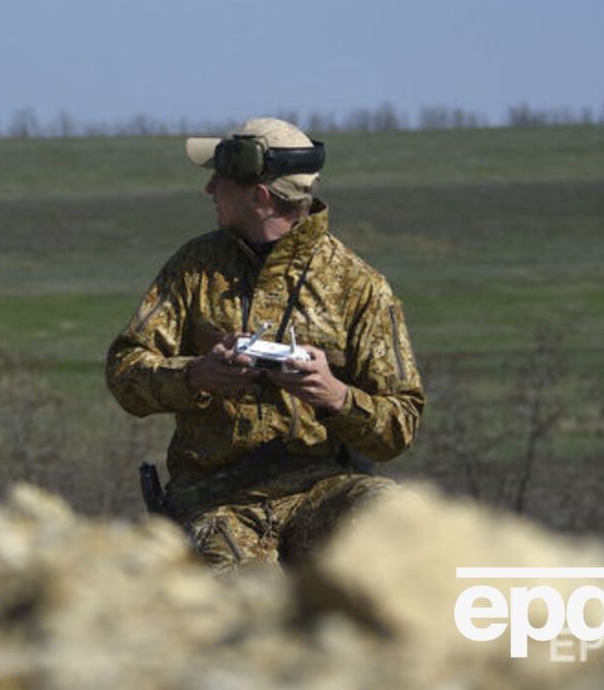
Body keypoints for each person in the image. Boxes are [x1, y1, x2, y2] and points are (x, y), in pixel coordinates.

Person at [106, 117, 424, 572]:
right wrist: (195, 375)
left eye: (222, 179)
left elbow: (401, 424)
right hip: (216, 500)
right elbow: (124, 371)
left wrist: (334, 395)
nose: (210, 188)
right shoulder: (194, 270)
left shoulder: (359, 287)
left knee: (399, 525)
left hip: (321, 488)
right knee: (247, 597)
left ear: (260, 196)